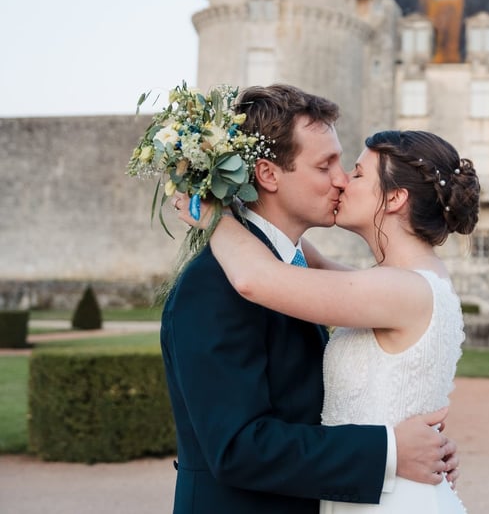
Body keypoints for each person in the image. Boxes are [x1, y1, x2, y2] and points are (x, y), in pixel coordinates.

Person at [161, 86, 458, 513]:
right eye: (326, 165)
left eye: (349, 168)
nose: (341, 179)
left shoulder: (295, 273)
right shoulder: (213, 283)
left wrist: (420, 446)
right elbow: (236, 447)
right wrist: (393, 450)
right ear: (267, 174)